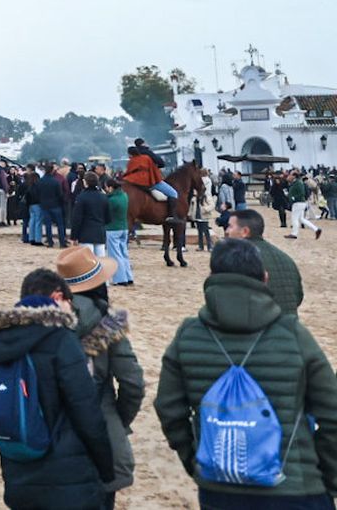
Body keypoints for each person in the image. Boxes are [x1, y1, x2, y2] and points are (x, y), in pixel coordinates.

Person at [155, 238, 337, 509]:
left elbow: (169, 409)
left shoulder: (188, 334)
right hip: (295, 487)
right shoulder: (293, 334)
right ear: (265, 278)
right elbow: (332, 414)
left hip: (220, 488)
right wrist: (327, 477)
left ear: (211, 277)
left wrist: (196, 463)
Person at [0, 268, 115, 510]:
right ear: (57, 297)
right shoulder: (61, 339)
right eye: (69, 303)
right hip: (69, 476)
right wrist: (106, 468)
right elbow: (86, 411)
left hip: (18, 467)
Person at [53, 247, 143, 509]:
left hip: (52, 431)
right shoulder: (107, 321)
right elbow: (133, 382)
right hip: (100, 428)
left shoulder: (45, 318)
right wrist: (118, 418)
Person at [224, 209, 304, 316]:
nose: (227, 231)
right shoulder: (285, 258)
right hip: (289, 327)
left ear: (245, 232)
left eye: (230, 226)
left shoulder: (237, 258)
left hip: (257, 327)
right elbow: (297, 297)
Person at [68, 173, 110, 256]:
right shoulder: (103, 197)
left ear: (85, 182)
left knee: (88, 262)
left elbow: (77, 219)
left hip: (85, 234)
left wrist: (74, 236)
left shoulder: (81, 197)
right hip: (100, 233)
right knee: (100, 261)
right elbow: (108, 218)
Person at [103, 178, 133, 286]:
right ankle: (128, 276)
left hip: (113, 229)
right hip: (123, 227)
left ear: (110, 188)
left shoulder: (111, 200)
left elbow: (106, 211)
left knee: (115, 255)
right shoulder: (124, 196)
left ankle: (120, 279)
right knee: (124, 253)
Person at [288, 171, 324, 240]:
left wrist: (293, 198)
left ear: (294, 176)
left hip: (298, 203)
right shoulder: (297, 182)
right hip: (300, 202)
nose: (289, 176)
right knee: (301, 219)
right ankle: (316, 229)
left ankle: (294, 234)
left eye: (290, 175)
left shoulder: (298, 183)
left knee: (294, 218)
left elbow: (301, 193)